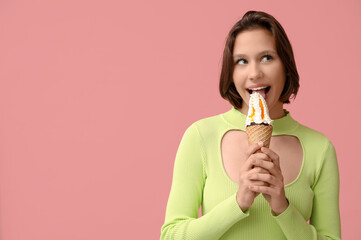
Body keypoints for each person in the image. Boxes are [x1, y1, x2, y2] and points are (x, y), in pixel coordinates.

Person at [160, 10, 341, 240]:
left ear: (285, 65)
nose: (255, 73)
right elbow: (171, 236)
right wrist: (238, 202)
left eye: (267, 57)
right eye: (242, 61)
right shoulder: (201, 136)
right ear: (231, 71)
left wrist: (282, 208)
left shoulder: (319, 148)